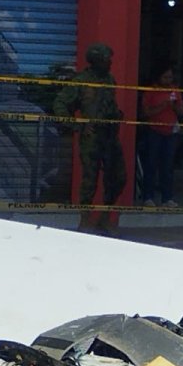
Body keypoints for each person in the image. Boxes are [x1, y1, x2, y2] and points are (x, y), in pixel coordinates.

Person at [54, 42, 125, 232]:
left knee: (117, 177)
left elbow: (109, 105)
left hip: (110, 135)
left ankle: (105, 217)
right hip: (92, 136)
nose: (110, 62)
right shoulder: (81, 81)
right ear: (96, 61)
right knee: (89, 179)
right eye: (106, 59)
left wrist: (116, 114)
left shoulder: (110, 79)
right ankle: (84, 219)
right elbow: (60, 104)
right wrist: (77, 125)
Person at [138, 61, 183, 208]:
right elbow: (145, 113)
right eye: (165, 77)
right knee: (151, 164)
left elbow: (182, 112)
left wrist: (174, 105)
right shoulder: (150, 91)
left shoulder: (175, 91)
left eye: (170, 77)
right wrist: (162, 106)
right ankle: (148, 197)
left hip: (171, 132)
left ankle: (167, 198)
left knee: (168, 166)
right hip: (154, 131)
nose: (168, 81)